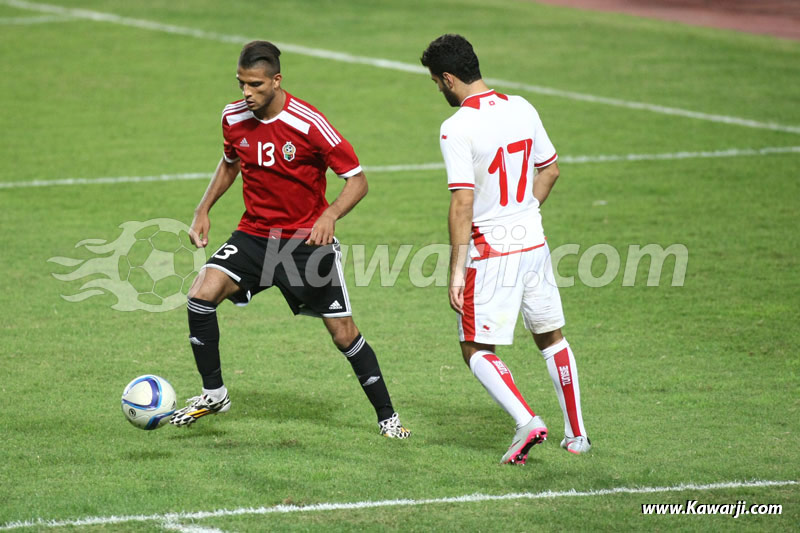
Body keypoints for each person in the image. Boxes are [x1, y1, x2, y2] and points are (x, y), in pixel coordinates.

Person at [170, 40, 410, 439]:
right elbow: (231, 163)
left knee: (343, 334)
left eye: (256, 85)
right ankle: (214, 394)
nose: (246, 92)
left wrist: (330, 214)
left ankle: (388, 418)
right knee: (200, 295)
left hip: (303, 245)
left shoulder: (309, 123)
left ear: (277, 80)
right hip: (254, 235)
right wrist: (203, 208)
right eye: (241, 83)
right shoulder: (232, 116)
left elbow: (357, 180)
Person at [420, 34, 589, 463]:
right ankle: (578, 436)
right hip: (532, 240)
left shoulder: (456, 127)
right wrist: (523, 213)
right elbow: (550, 170)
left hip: (491, 250)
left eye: (437, 83)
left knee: (474, 347)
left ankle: (526, 420)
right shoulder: (522, 107)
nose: (438, 90)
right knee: (550, 336)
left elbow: (462, 203)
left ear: (449, 78)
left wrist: (456, 271)